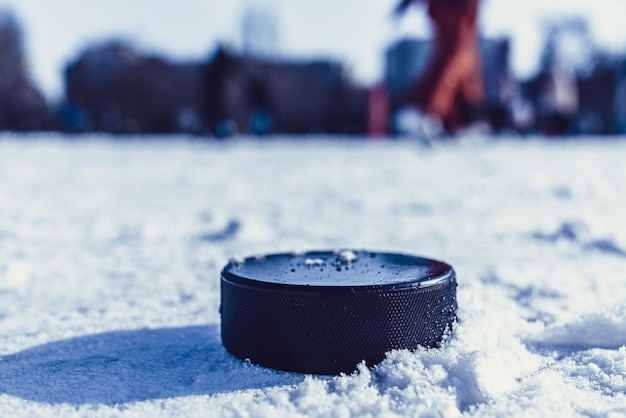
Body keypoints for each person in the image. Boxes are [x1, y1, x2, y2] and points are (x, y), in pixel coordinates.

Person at [394, 0, 484, 134]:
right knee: (457, 56)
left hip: (450, 6)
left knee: (460, 56)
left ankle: (462, 121)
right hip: (456, 6)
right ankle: (428, 112)